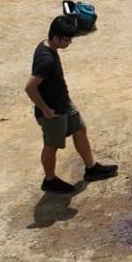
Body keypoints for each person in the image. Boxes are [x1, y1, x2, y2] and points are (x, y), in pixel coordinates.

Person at [26, 13, 116, 195]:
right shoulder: (45, 59)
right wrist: (45, 110)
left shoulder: (47, 45)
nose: (69, 43)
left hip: (64, 102)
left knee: (80, 129)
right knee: (51, 146)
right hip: (53, 111)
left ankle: (91, 168)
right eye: (66, 40)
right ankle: (49, 180)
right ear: (55, 37)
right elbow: (29, 87)